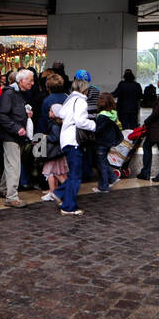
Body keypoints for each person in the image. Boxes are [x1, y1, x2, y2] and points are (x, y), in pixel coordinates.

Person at [53, 75, 99, 215]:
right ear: (85, 90)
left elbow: (60, 113)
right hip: (74, 140)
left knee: (74, 173)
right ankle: (68, 206)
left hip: (66, 139)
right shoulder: (81, 102)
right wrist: (93, 125)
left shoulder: (69, 99)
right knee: (75, 175)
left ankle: (60, 193)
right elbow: (80, 121)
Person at [0, 68, 31, 207]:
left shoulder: (16, 93)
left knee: (11, 163)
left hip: (13, 133)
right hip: (11, 134)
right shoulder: (11, 94)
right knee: (14, 165)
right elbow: (2, 115)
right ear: (21, 81)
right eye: (30, 80)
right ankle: (11, 197)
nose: (32, 83)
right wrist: (17, 128)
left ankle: (4, 189)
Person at [37, 73, 71, 203]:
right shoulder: (67, 98)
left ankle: (55, 191)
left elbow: (43, 120)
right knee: (60, 167)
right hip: (65, 136)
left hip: (51, 137)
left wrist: (42, 137)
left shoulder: (47, 101)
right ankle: (58, 190)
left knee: (52, 168)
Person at [92, 94, 122, 193]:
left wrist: (92, 128)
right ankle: (107, 181)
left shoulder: (102, 116)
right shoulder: (112, 114)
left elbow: (99, 129)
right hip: (109, 142)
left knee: (101, 164)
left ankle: (105, 185)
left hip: (102, 142)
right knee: (103, 162)